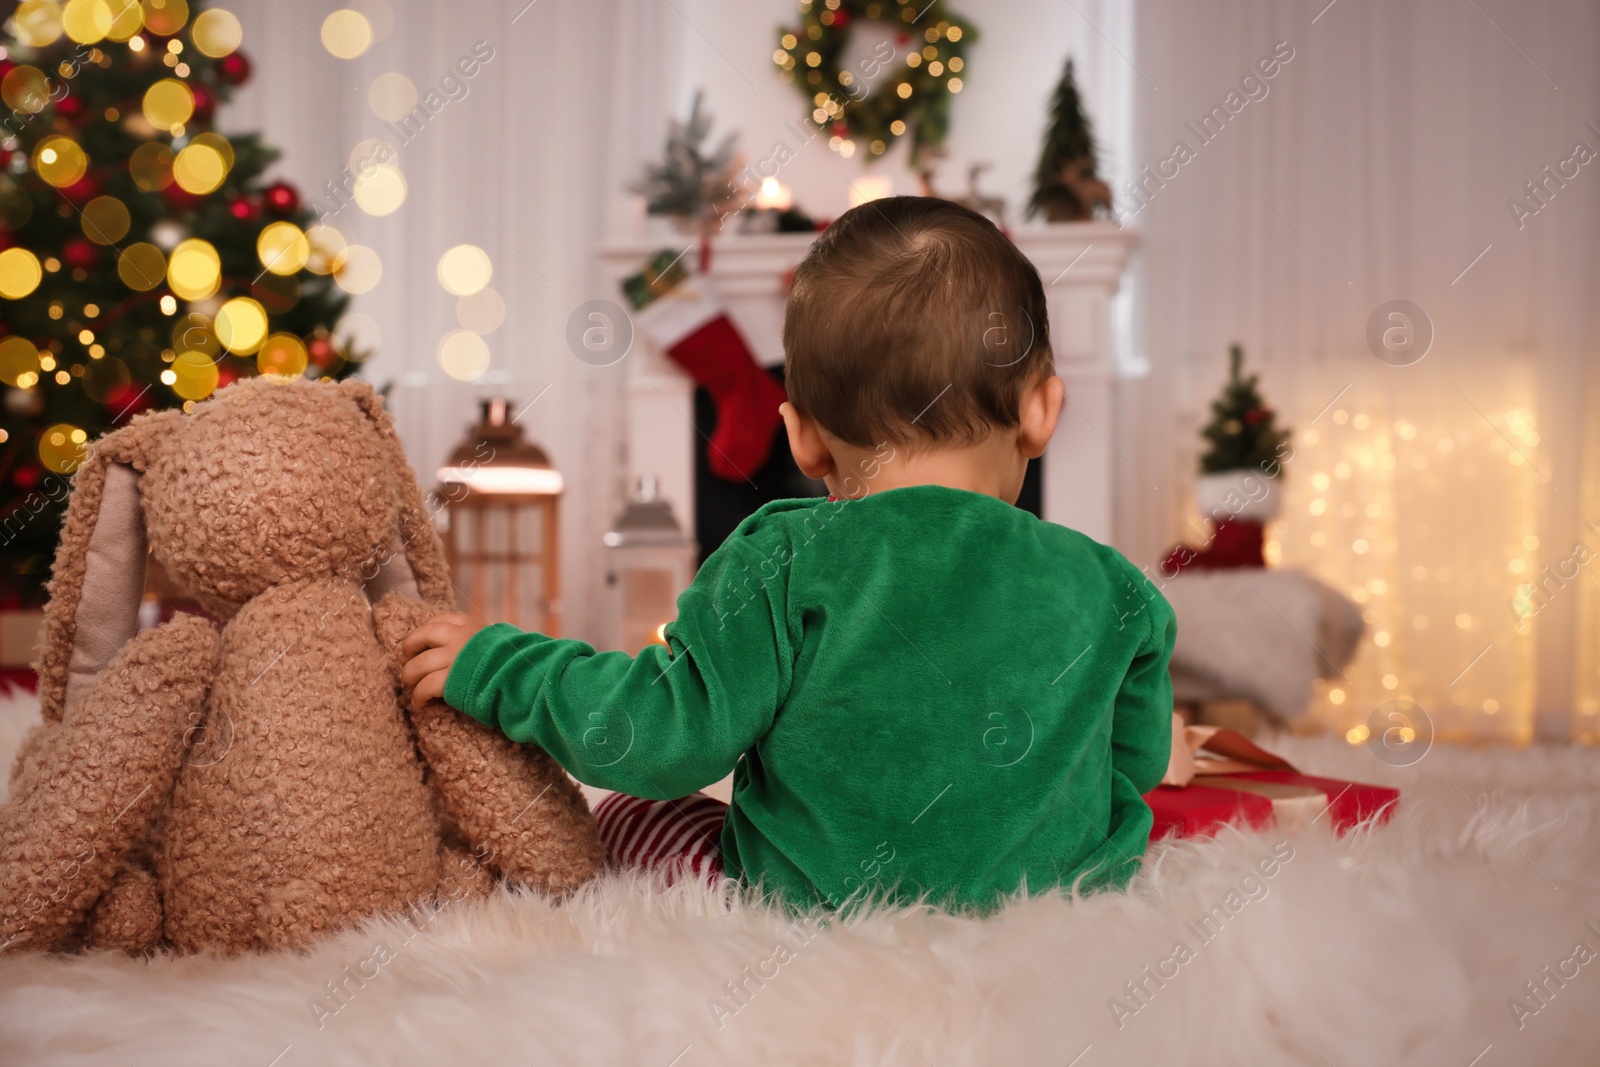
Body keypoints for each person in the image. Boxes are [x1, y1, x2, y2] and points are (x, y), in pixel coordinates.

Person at [402, 196, 1175, 911]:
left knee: (639, 813)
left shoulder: (782, 557)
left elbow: (659, 736)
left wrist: (497, 662)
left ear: (800, 435)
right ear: (1043, 410)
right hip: (1047, 921)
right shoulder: (1114, 588)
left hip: (809, 918)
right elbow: (1135, 766)